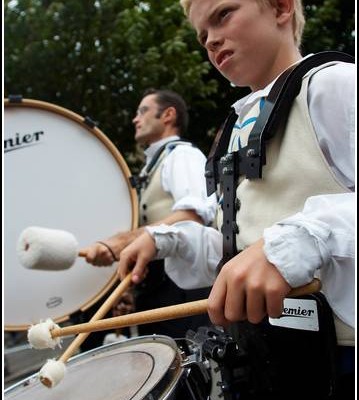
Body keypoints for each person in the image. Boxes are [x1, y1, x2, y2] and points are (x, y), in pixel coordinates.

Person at [115, 1, 355, 399]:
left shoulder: (335, 85)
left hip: (342, 363)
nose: (209, 39)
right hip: (268, 364)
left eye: (223, 14)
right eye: (200, 33)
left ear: (280, 7)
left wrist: (298, 241)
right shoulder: (237, 127)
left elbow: (283, 246)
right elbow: (242, 252)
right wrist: (169, 239)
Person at [82, 88, 217, 339]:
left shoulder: (182, 156)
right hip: (158, 292)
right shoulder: (153, 165)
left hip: (182, 290)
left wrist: (121, 242)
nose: (136, 119)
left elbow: (193, 216)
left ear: (168, 115)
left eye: (142, 111)